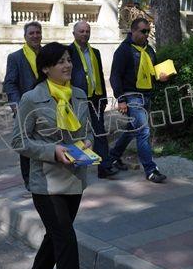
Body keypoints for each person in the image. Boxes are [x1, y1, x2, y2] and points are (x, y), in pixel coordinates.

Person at [11, 42, 90, 269]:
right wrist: (51, 151)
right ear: (45, 69)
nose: (67, 65)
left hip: (75, 178)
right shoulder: (31, 99)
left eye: (68, 60)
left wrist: (86, 146)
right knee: (66, 241)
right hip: (45, 182)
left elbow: (88, 131)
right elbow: (18, 140)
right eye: (60, 62)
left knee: (57, 234)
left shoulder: (79, 94)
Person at [109, 17, 170, 183]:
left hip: (146, 95)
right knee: (143, 131)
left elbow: (153, 71)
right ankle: (151, 170)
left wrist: (161, 77)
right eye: (143, 31)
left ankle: (112, 157)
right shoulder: (123, 50)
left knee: (132, 129)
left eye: (148, 31)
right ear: (133, 31)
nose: (146, 34)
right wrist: (121, 99)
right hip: (131, 96)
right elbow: (115, 76)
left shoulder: (149, 50)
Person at [68, 20, 118, 179]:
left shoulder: (95, 52)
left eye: (87, 31)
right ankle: (73, 168)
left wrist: (103, 98)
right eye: (81, 31)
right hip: (77, 99)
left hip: (96, 98)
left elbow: (100, 75)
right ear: (74, 33)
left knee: (100, 132)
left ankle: (105, 167)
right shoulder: (68, 52)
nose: (85, 34)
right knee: (76, 134)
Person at [4, 21, 42, 187]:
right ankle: (28, 180)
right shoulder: (15, 57)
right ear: (25, 36)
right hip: (25, 109)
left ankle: (45, 173)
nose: (35, 36)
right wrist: (17, 105)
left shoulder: (47, 54)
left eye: (37, 32)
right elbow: (10, 84)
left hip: (47, 106)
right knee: (26, 145)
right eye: (31, 33)